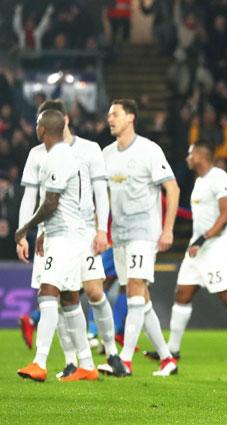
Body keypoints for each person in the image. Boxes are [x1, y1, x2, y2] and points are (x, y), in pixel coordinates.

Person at [143, 140, 227, 364]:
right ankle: (172, 350)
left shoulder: (220, 178)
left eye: (190, 153)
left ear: (200, 156)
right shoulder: (199, 182)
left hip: (218, 246)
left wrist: (203, 239)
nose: (188, 157)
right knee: (182, 294)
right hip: (198, 248)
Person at [37, 100, 126, 377]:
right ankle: (72, 361)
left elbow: (101, 191)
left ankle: (112, 354)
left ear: (64, 120)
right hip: (57, 233)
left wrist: (101, 231)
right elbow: (46, 197)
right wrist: (41, 231)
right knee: (65, 294)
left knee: (94, 291)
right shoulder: (42, 154)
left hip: (86, 232)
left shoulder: (89, 149)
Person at [15, 110, 98, 382]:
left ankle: (39, 362)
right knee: (69, 298)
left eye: (37, 124)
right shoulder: (67, 155)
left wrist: (25, 227)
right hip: (69, 234)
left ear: (42, 130)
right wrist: (44, 232)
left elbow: (51, 202)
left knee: (47, 290)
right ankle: (86, 364)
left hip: (66, 237)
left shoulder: (58, 156)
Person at [101, 99, 180, 377]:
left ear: (131, 117)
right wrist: (102, 229)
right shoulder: (107, 154)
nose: (110, 118)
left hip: (144, 231)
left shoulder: (149, 150)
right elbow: (104, 196)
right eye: (109, 114)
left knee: (134, 288)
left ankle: (124, 360)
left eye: (115, 114)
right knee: (140, 299)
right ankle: (167, 359)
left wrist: (168, 229)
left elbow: (172, 189)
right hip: (120, 234)